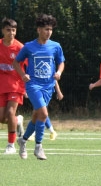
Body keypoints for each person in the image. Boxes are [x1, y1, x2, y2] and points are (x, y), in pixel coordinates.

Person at [12, 14, 65, 160]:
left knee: (37, 116)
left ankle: (23, 140)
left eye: (51, 29)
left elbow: (61, 62)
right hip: (33, 85)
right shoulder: (29, 47)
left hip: (48, 86)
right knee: (44, 114)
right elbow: (16, 62)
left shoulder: (56, 46)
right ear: (39, 30)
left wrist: (59, 72)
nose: (49, 32)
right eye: (46, 29)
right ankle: (38, 147)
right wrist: (23, 75)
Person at [1, 17, 26, 154]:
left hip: (16, 85)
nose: (11, 33)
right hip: (1, 85)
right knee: (2, 118)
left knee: (10, 112)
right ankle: (18, 121)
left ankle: (11, 145)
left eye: (13, 30)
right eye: (8, 30)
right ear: (3, 31)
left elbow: (29, 66)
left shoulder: (20, 48)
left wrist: (28, 83)